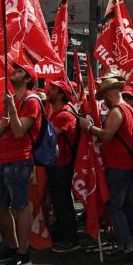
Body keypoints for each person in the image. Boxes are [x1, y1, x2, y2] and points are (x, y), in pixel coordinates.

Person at [83, 72, 133, 261]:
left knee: (115, 207)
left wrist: (88, 127)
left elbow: (107, 135)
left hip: (119, 166)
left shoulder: (117, 110)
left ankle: (127, 245)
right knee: (130, 204)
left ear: (109, 95)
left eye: (103, 98)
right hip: (128, 164)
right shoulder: (130, 109)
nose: (104, 102)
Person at [0, 69, 43, 265]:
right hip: (5, 159)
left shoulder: (31, 101)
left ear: (28, 79)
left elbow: (20, 130)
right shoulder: (9, 100)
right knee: (0, 206)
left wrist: (12, 109)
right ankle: (12, 246)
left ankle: (24, 253)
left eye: (20, 71)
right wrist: (1, 126)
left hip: (21, 160)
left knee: (20, 206)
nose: (14, 72)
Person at [44, 81, 81, 252]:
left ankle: (70, 239)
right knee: (59, 202)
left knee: (63, 202)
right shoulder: (58, 112)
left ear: (60, 95)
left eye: (53, 90)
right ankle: (62, 234)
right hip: (56, 163)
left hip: (62, 165)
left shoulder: (64, 115)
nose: (48, 91)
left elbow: (49, 137)